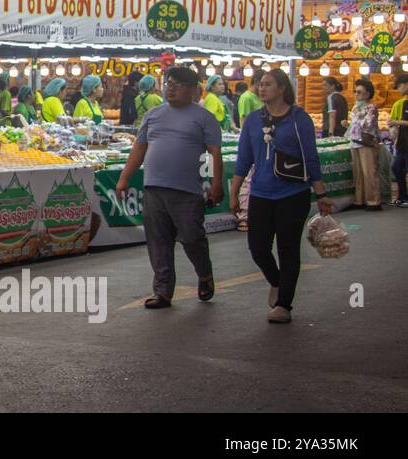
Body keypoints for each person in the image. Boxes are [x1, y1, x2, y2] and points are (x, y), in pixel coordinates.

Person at [115, 65, 222, 309]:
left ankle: (204, 274)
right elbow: (139, 149)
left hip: (187, 191)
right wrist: (124, 178)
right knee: (158, 241)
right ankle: (163, 291)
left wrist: (216, 185)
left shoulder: (205, 118)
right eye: (168, 84)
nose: (170, 89)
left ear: (194, 91)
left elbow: (214, 154)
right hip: (154, 187)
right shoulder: (152, 114)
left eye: (178, 85)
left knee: (192, 239)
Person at [231, 69, 334, 324]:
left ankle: (284, 304)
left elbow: (311, 158)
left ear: (282, 88)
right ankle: (276, 281)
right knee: (258, 248)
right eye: (260, 84)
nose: (261, 88)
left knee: (288, 249)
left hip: (293, 193)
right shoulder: (254, 120)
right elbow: (244, 158)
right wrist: (234, 192)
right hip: (261, 194)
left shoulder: (300, 119)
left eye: (267, 84)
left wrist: (320, 193)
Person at [348, 78, 382, 211]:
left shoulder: (371, 107)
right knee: (358, 173)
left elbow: (368, 124)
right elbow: (354, 125)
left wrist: (358, 116)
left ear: (368, 94)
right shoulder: (356, 106)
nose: (356, 95)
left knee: (369, 172)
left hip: (366, 143)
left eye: (359, 92)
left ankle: (373, 201)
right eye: (355, 92)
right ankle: (359, 200)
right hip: (355, 142)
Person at [387, 74, 408, 207]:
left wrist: (397, 122)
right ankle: (403, 196)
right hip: (403, 143)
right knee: (396, 167)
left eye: (399, 86)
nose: (398, 90)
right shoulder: (403, 102)